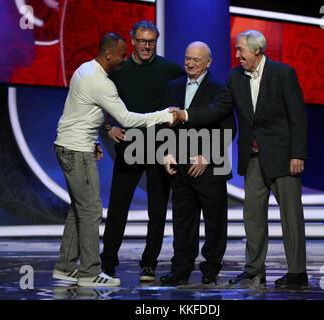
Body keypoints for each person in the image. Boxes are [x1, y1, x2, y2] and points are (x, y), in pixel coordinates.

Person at [172, 30, 309, 289]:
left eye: (240, 50)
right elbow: (219, 108)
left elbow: (298, 117)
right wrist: (187, 115)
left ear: (256, 50)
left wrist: (297, 154)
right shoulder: (236, 77)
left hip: (282, 157)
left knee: (290, 216)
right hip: (253, 159)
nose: (236, 55)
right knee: (253, 218)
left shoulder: (283, 73)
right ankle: (254, 271)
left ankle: (297, 273)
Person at [52, 33, 177, 287]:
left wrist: (96, 138)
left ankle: (65, 267)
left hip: (72, 145)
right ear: (108, 54)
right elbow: (128, 120)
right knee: (90, 211)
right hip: (77, 150)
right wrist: (164, 115)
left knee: (79, 209)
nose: (123, 60)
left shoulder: (84, 69)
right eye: (121, 55)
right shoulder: (102, 83)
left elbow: (82, 113)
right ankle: (89, 272)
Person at [100, 21, 185, 282]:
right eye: (141, 40)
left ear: (155, 41)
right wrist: (107, 127)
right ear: (133, 40)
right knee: (117, 208)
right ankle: (108, 264)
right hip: (130, 145)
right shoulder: (119, 69)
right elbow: (96, 97)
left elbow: (187, 95)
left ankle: (149, 264)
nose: (146, 46)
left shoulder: (170, 69)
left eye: (151, 41)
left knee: (157, 210)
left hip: (160, 147)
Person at [160, 42, 236, 286]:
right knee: (183, 222)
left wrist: (207, 157)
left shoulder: (219, 89)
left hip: (210, 169)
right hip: (180, 167)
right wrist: (166, 153)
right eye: (187, 58)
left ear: (208, 63)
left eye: (196, 59)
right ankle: (180, 270)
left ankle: (210, 269)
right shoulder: (172, 87)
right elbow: (163, 124)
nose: (190, 63)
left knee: (215, 222)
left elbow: (229, 129)